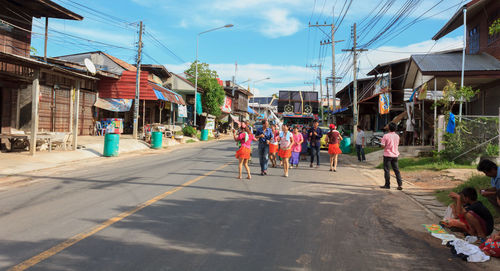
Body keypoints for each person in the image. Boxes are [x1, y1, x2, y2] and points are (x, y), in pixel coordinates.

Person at [380, 122, 403, 190]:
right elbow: (396, 144)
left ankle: (387, 185)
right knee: (396, 170)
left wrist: (381, 141)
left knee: (387, 170)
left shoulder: (385, 136)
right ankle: (400, 184)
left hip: (387, 155)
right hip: (395, 155)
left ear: (389, 128)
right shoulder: (397, 136)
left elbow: (382, 146)